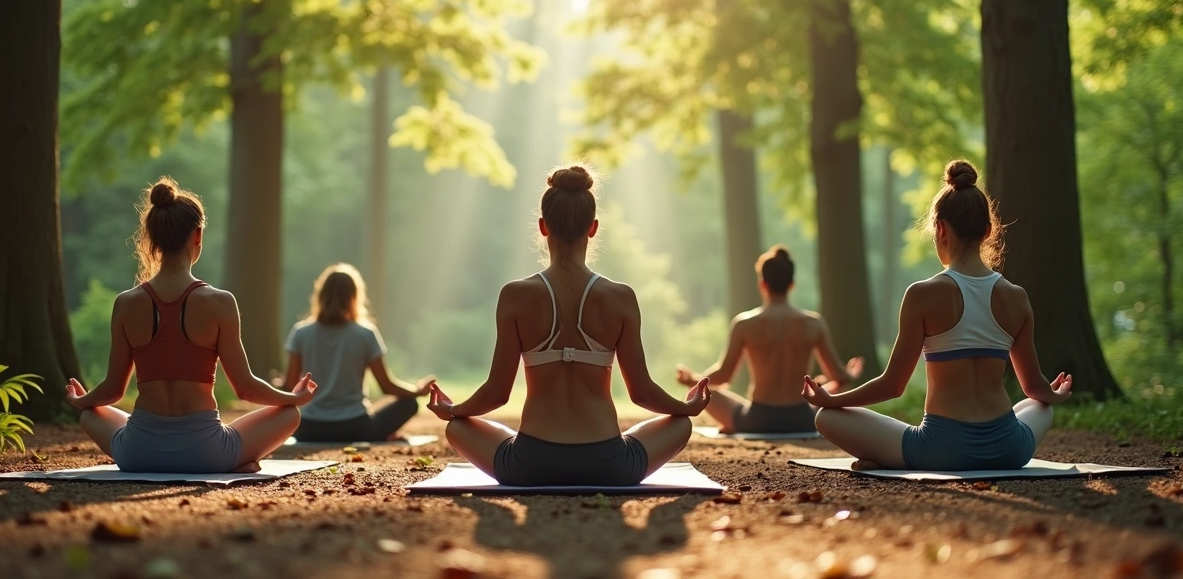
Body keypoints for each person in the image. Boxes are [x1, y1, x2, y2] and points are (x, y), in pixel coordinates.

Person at [425, 165, 711, 486]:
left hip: (529, 464)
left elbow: (497, 394)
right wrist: (687, 408)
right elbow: (642, 393)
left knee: (457, 427)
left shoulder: (515, 295)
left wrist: (453, 410)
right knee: (681, 424)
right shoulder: (621, 297)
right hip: (610, 464)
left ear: (543, 227)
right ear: (593, 228)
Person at [804, 160, 1072, 471]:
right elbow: (1034, 389)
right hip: (1009, 448)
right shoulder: (1016, 297)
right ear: (988, 231)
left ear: (940, 229)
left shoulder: (922, 294)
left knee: (827, 418)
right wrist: (1057, 394)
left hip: (939, 451)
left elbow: (892, 386)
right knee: (1040, 407)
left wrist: (831, 400)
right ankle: (885, 456)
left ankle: (885, 458)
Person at [65, 177, 316, 474]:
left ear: (153, 239)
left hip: (137, 453)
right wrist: (294, 397)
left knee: (90, 415)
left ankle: (232, 459)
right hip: (208, 453)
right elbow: (246, 389)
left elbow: (112, 391)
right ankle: (238, 460)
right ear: (197, 235)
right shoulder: (220, 302)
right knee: (290, 415)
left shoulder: (126, 303)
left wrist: (81, 400)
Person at [675, 246, 863, 434]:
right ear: (791, 285)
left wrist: (693, 380)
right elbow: (838, 376)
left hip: (756, 420)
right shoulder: (814, 323)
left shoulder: (744, 323)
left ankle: (730, 424)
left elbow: (724, 375)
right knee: (841, 386)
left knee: (702, 392)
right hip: (804, 419)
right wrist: (851, 375)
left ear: (762, 284)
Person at [283, 263, 433, 442]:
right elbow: (387, 386)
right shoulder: (365, 333)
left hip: (307, 429)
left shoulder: (300, 332)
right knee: (409, 404)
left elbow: (289, 387)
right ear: (355, 297)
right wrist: (418, 391)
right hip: (357, 427)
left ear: (321, 295)